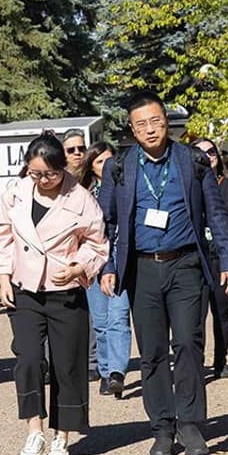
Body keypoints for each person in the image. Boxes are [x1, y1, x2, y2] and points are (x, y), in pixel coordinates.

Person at [99, 91, 228, 455]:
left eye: (155, 121)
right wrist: (107, 267)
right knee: (152, 352)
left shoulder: (191, 161)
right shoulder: (119, 167)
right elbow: (106, 222)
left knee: (189, 344)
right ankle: (162, 427)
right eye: (141, 124)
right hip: (141, 268)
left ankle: (191, 425)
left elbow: (216, 215)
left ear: (167, 122)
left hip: (185, 264)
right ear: (132, 128)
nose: (150, 129)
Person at [0, 133, 108, 455]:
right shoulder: (15, 193)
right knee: (27, 359)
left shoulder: (81, 198)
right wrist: (1, 276)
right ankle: (34, 431)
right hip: (24, 288)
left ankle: (62, 436)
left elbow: (97, 243)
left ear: (62, 168)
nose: (42, 180)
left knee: (66, 365)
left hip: (64, 291)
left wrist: (78, 267)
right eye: (35, 173)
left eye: (49, 174)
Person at [79, 141, 131, 398]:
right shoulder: (82, 194)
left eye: (110, 161)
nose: (106, 167)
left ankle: (117, 372)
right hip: (93, 263)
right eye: (100, 162)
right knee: (100, 322)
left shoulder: (125, 187)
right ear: (91, 167)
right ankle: (104, 369)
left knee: (118, 317)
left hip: (120, 260)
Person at [192, 138, 228, 378]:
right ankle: (196, 359)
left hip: (221, 256)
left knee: (221, 312)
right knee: (195, 314)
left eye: (211, 152)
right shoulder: (189, 186)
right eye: (201, 153)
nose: (207, 156)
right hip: (195, 258)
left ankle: (221, 357)